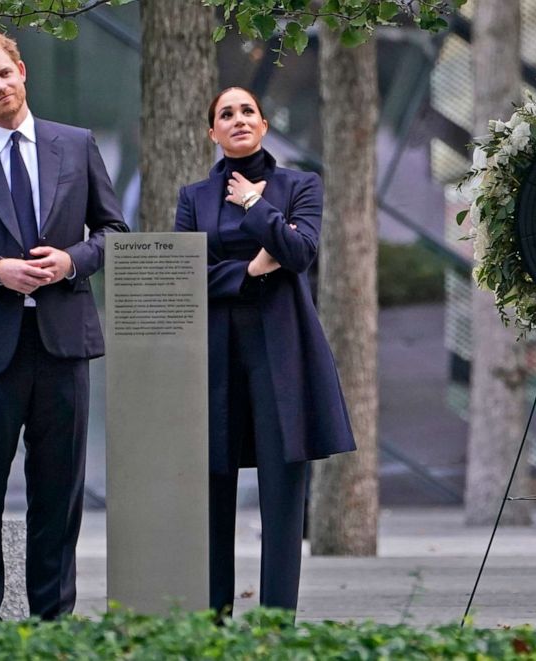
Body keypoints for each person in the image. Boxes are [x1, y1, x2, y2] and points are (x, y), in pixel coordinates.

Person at [0, 31, 128, 621]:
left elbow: (113, 232)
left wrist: (71, 261)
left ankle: (51, 624)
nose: (0, 85)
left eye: (5, 73)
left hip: (62, 344)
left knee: (58, 495)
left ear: (23, 71)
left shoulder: (77, 144)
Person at [175, 87, 355, 618]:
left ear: (264, 124)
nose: (237, 120)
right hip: (215, 356)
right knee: (213, 489)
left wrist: (254, 204)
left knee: (282, 495)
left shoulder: (299, 185)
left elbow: (299, 253)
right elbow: (185, 277)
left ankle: (277, 626)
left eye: (246, 111)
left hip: (283, 354)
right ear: (212, 132)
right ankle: (212, 622)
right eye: (225, 114)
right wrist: (249, 270)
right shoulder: (194, 197)